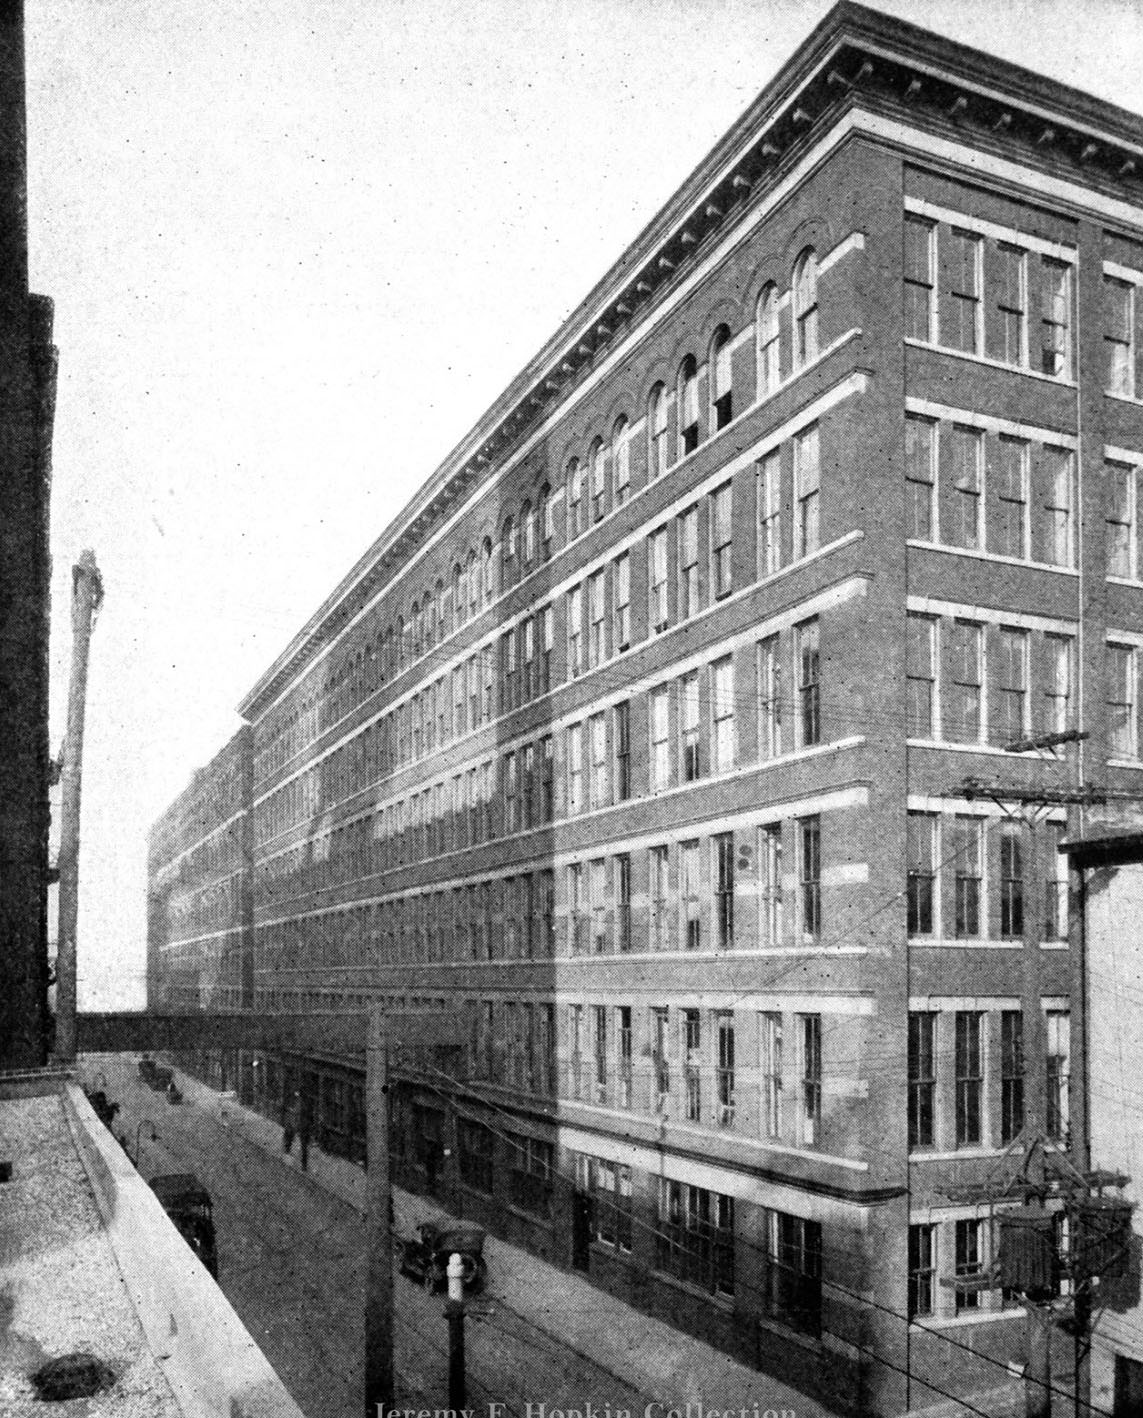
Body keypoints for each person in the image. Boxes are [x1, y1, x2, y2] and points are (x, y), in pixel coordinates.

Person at [282, 1089, 301, 1158]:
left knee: (290, 1136)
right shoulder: (294, 1101)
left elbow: (296, 1111)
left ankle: (287, 1150)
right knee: (288, 1135)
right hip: (291, 1122)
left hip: (293, 1122)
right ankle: (287, 1150)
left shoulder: (298, 1102)